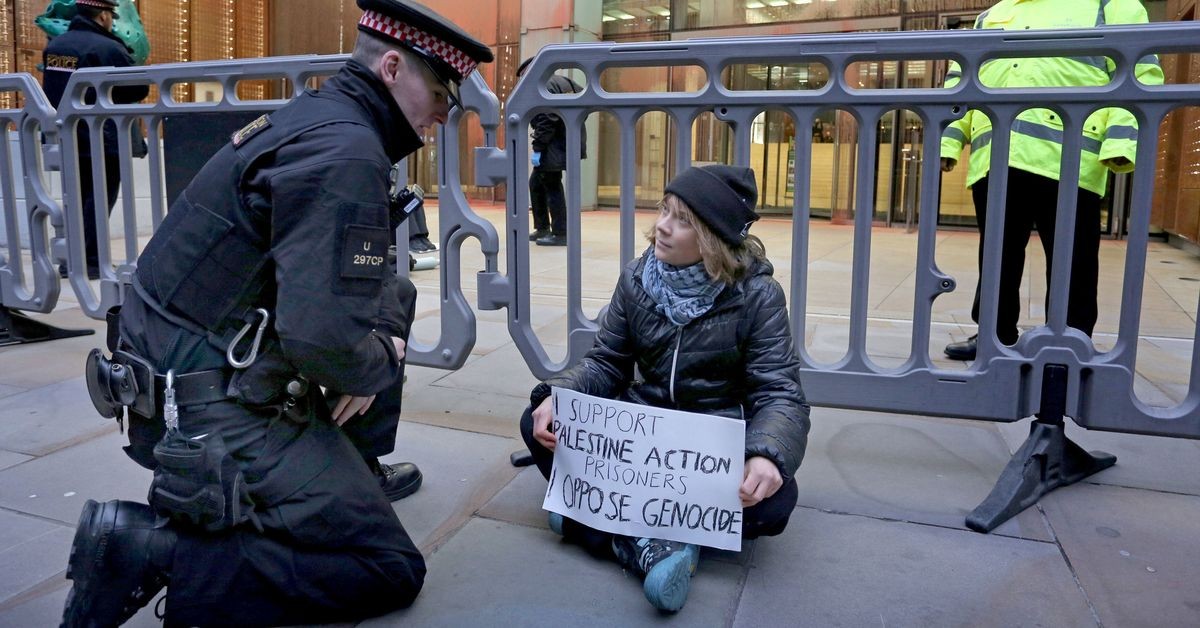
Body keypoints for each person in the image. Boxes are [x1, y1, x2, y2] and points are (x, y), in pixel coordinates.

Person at [63, 1, 492, 625]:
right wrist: (377, 360)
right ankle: (153, 549)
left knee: (391, 300)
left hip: (179, 366)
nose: (442, 117)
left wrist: (369, 351)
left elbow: (350, 295)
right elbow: (323, 342)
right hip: (204, 406)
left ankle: (348, 471)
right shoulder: (346, 153)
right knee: (387, 567)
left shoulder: (321, 117)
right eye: (439, 95)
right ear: (394, 67)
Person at [519, 165, 810, 611]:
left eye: (682, 220)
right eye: (664, 211)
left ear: (712, 237)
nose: (662, 227)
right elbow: (606, 361)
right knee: (537, 423)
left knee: (776, 502)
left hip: (709, 447)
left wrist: (766, 454)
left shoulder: (757, 296)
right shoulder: (637, 278)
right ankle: (655, 541)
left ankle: (598, 524)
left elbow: (779, 392)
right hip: (642, 438)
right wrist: (559, 395)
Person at [940, 0, 1163, 360]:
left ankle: (1069, 341)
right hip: (997, 155)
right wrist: (948, 140)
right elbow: (962, 82)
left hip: (1070, 157)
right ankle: (993, 336)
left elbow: (1139, 73)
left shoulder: (1111, 5)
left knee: (1071, 258)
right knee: (997, 255)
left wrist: (1121, 142)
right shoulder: (992, 15)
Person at [41, 0, 148, 280]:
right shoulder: (108, 48)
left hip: (65, 135)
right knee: (98, 201)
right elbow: (136, 88)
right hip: (102, 138)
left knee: (74, 199)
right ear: (103, 16)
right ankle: (90, 262)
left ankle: (70, 261)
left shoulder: (56, 47)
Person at [516, 56, 586, 246]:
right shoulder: (564, 82)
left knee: (552, 186)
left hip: (553, 146)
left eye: (523, 75)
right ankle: (543, 227)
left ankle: (561, 233)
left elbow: (548, 118)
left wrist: (538, 147)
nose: (522, 80)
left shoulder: (544, 84)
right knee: (537, 183)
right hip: (566, 142)